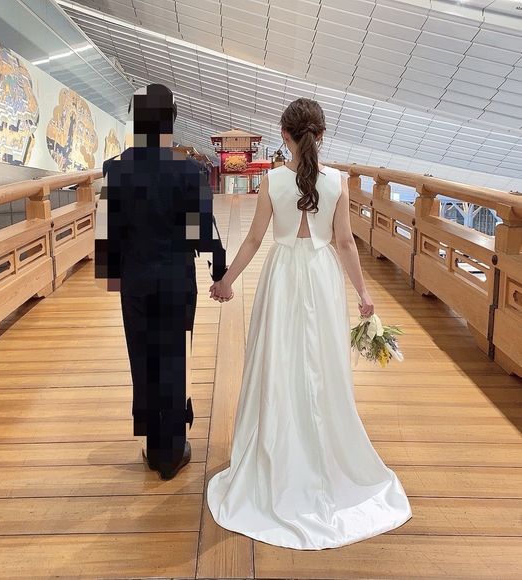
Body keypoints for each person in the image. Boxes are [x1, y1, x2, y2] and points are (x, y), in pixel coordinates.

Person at [206, 98, 412, 549]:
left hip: (281, 275)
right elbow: (345, 243)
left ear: (284, 135)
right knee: (321, 362)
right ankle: (323, 452)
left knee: (278, 360)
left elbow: (255, 239)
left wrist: (226, 282)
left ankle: (278, 450)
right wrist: (363, 294)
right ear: (320, 134)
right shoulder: (337, 182)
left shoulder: (272, 180)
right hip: (321, 275)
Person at [95, 84, 228, 481]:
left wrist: (113, 276)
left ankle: (153, 447)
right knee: (172, 360)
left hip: (135, 281)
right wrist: (219, 271)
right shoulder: (188, 171)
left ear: (137, 121)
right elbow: (202, 232)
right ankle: (171, 453)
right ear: (170, 122)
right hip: (175, 281)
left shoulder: (115, 169)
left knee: (143, 360)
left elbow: (107, 234)